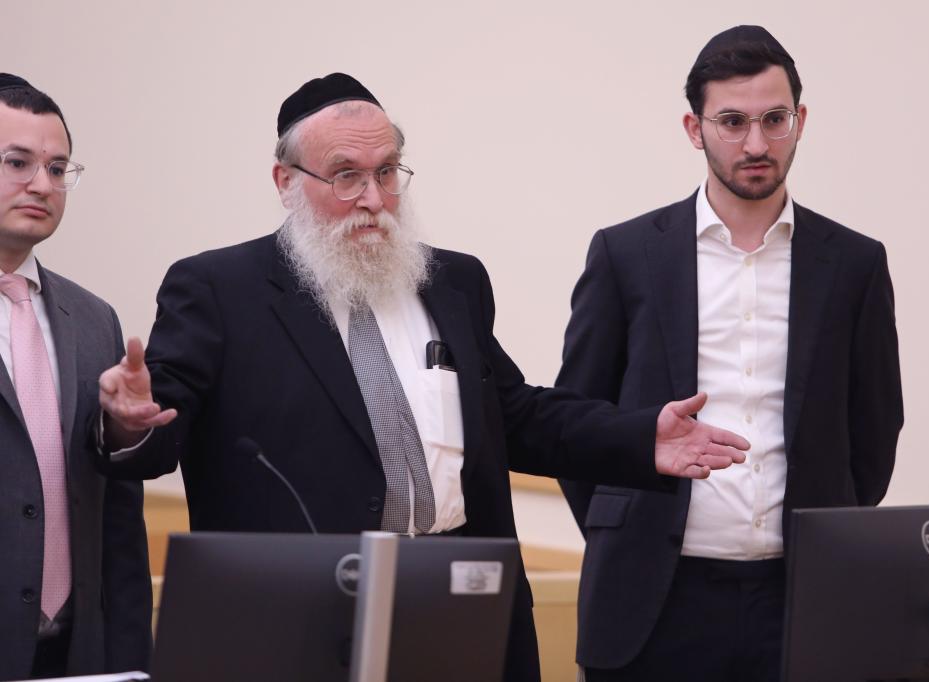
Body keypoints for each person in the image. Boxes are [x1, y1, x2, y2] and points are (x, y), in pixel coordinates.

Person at [95, 73, 749, 681]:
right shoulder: (218, 290)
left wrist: (640, 439)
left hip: (454, 596)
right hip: (297, 613)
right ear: (285, 180)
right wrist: (129, 423)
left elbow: (512, 416)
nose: (373, 198)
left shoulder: (452, 280)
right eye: (346, 176)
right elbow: (157, 433)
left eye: (386, 172)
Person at [557, 26, 904, 682]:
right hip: (652, 602)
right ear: (695, 128)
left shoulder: (854, 264)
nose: (756, 144)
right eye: (733, 121)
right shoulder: (626, 255)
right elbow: (580, 428)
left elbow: (873, 432)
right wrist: (625, 527)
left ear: (800, 120)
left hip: (799, 599)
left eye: (775, 120)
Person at [0, 74, 152, 680]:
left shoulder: (94, 319)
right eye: (18, 162)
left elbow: (117, 515)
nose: (43, 184)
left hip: (76, 649)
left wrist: (123, 432)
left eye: (59, 169)